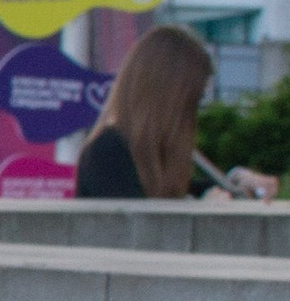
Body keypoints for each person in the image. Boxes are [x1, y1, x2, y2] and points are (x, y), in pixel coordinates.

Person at [75, 20, 277, 199]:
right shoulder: (108, 152)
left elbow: (186, 192)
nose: (192, 115)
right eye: (191, 102)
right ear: (169, 101)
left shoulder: (149, 153)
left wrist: (238, 182)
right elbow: (139, 229)